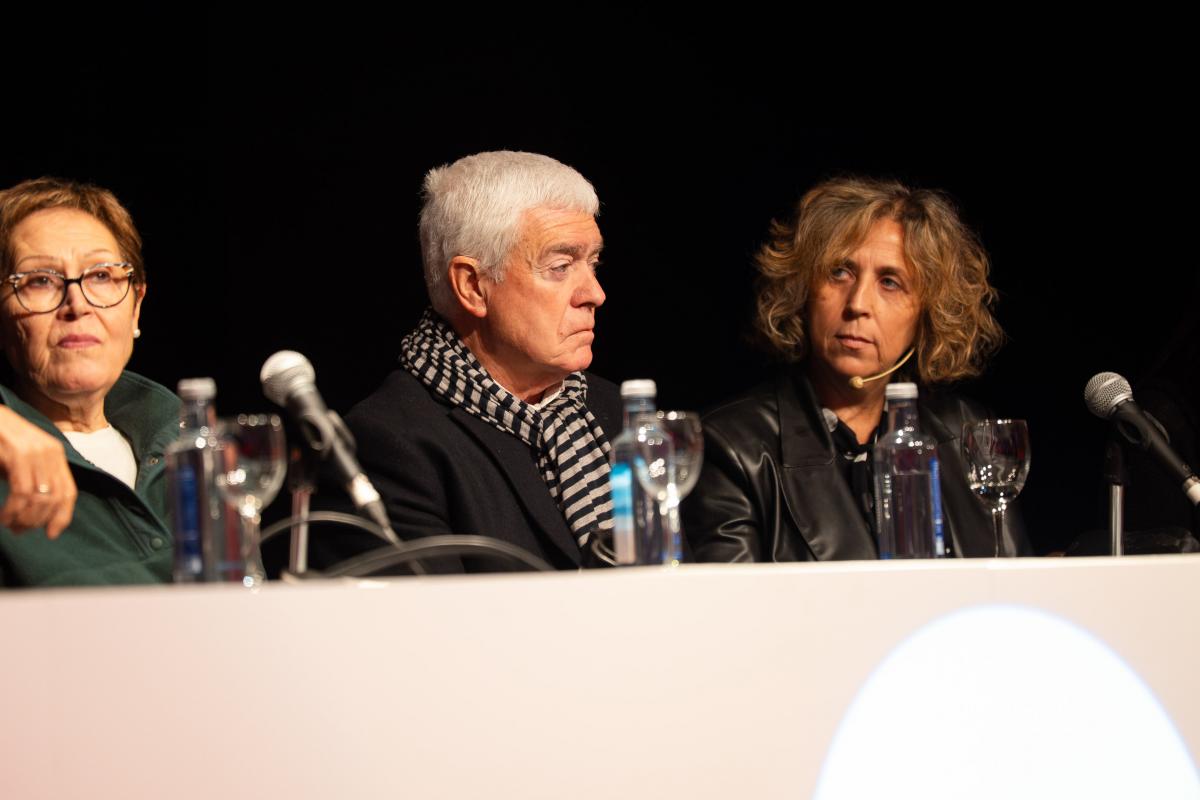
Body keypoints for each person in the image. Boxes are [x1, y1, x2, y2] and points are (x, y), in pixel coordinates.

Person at [683, 176, 1030, 562]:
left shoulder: (968, 431)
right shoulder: (732, 447)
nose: (858, 303)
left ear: (929, 311)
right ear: (803, 289)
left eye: (890, 282)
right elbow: (732, 614)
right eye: (839, 273)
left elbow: (1011, 594)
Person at [313, 151, 620, 572]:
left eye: (593, 263)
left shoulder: (614, 414)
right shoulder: (390, 445)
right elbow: (428, 629)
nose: (594, 293)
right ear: (473, 286)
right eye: (560, 266)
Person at [0, 178, 179, 587]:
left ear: (136, 309)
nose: (76, 304)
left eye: (101, 275)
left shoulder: (193, 449)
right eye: (40, 281)